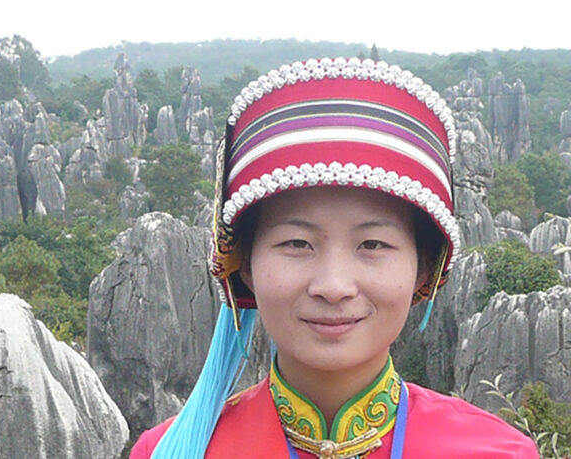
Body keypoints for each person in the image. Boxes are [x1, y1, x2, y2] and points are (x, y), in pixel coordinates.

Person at [130, 57, 539, 458]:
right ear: (245, 263)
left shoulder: (497, 452)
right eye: (296, 243)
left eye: (373, 245)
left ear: (425, 269)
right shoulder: (175, 450)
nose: (333, 286)